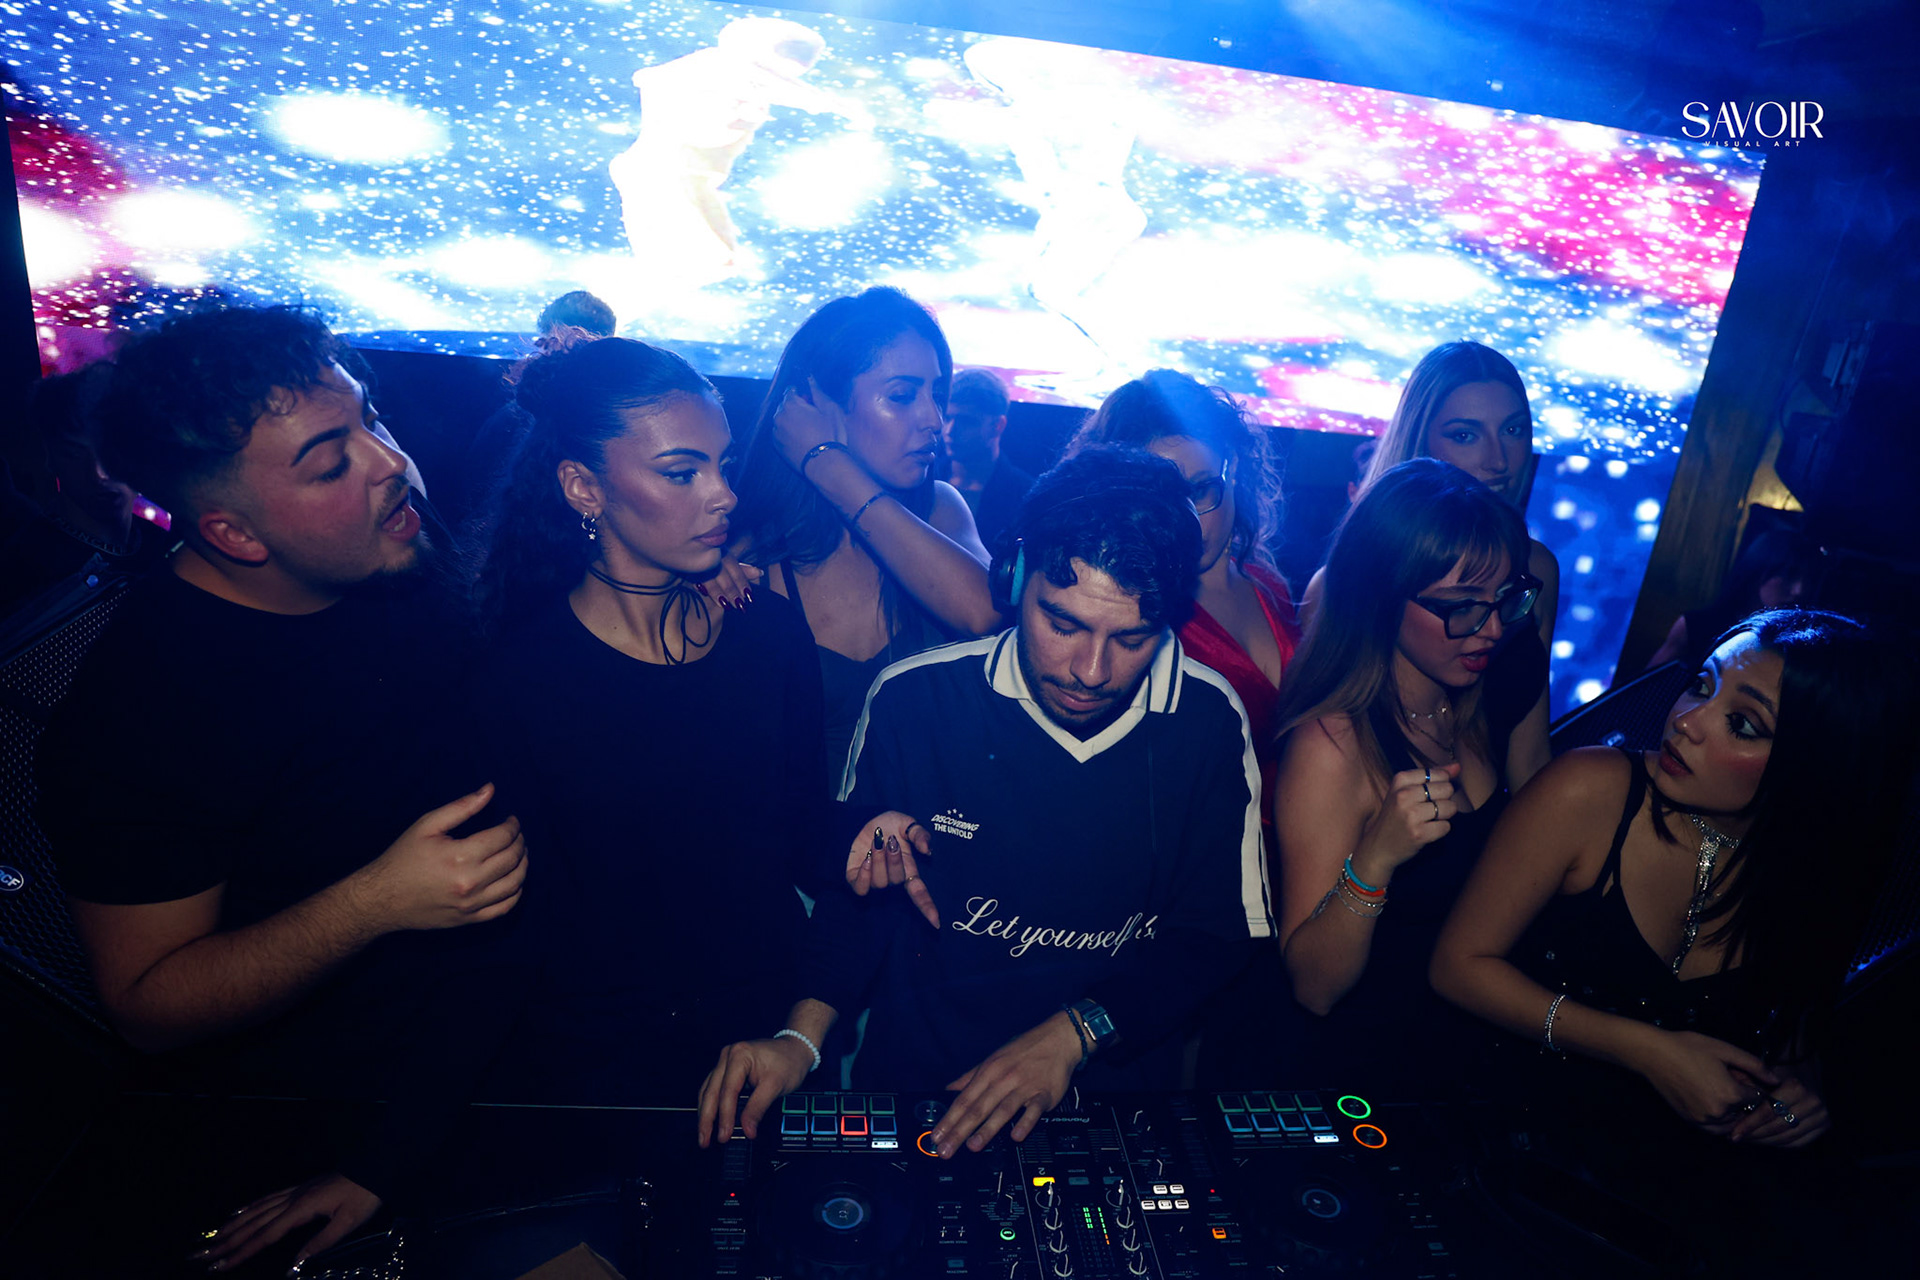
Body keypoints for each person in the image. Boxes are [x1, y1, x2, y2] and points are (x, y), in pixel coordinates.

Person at [34, 305, 529, 1271]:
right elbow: (148, 1002)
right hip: (342, 1108)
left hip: (498, 1040)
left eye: (371, 418)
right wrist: (375, 902)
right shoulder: (142, 714)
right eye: (332, 463)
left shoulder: (389, 551)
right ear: (232, 531)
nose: (391, 462)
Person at [697, 446, 1270, 1153]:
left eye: (1130, 638)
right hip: (922, 1097)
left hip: (1114, 1113)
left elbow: (1215, 935)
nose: (1091, 672)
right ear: (1013, 578)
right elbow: (865, 899)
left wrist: (1075, 1033)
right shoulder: (915, 699)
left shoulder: (1208, 719)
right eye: (1063, 625)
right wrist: (800, 1039)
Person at [1430, 610, 1912, 1264]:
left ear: (1818, 765)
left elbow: (1790, 1042)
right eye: (1702, 685)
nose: (1687, 720)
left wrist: (1798, 1100)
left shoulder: (1821, 877)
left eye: (1743, 724)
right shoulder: (1590, 789)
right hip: (1509, 1133)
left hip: (1673, 1177)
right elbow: (1457, 966)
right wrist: (1649, 1051)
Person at [471, 336, 854, 1100]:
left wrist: (872, 833)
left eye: (723, 465)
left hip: (770, 1049)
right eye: (683, 472)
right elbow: (511, 936)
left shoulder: (767, 632)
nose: (724, 495)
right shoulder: (517, 678)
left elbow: (806, 834)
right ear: (583, 487)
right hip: (601, 1080)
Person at [1267, 458, 1547, 1098]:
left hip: (1452, 1061)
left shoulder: (1481, 696)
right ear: (1381, 597)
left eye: (1504, 600)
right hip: (1350, 1076)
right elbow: (1313, 988)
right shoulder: (1333, 744)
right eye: (1461, 607)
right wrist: (1374, 861)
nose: (1491, 628)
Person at [731, 286, 999, 775]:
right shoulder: (749, 552)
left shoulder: (940, 509)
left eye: (936, 395)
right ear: (813, 402)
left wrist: (827, 465)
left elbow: (984, 613)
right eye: (902, 396)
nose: (934, 419)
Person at [1069, 369, 1300, 833]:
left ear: (1234, 468)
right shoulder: (1125, 615)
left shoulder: (1268, 584)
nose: (1188, 518)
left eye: (1201, 489)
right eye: (1164, 495)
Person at [1305, 340, 1561, 658]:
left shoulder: (1537, 567)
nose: (1499, 461)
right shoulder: (1344, 582)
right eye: (1464, 435)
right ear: (1418, 442)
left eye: (1513, 430)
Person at [609, 16, 872, 291]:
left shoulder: (747, 81)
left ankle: (690, 272)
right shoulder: (718, 66)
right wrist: (835, 106)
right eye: (781, 69)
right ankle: (675, 273)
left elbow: (777, 86)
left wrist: (832, 106)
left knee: (711, 246)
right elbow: (771, 82)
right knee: (682, 231)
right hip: (665, 165)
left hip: (694, 170)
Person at [0, 366, 167, 620]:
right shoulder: (22, 569)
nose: (100, 473)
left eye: (111, 449)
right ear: (50, 457)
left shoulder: (162, 544)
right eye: (74, 454)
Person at [1644, 529, 1816, 671]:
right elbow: (1645, 688)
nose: (1798, 590)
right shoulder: (1697, 626)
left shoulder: (1795, 643)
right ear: (1759, 570)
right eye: (1788, 576)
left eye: (1807, 580)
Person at [942, 366, 1034, 551]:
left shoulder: (1026, 497)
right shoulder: (919, 477)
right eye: (947, 418)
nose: (950, 430)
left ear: (998, 425)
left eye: (967, 421)